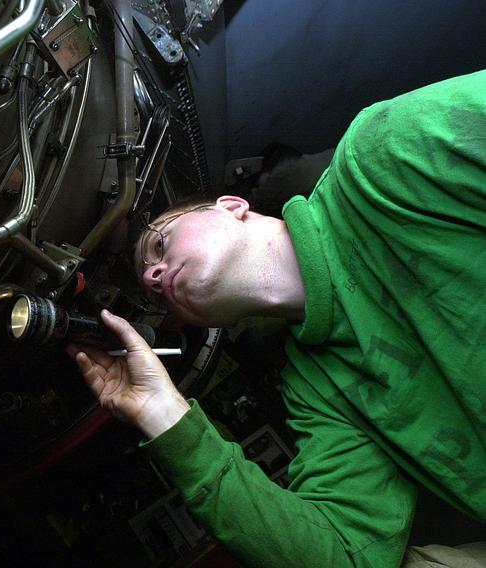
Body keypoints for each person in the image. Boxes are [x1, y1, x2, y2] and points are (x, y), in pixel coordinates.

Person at [68, 69, 486, 567]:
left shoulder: (382, 155)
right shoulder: (314, 388)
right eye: (155, 291)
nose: (156, 274)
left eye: (161, 243)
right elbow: (351, 556)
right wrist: (164, 415)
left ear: (232, 206)